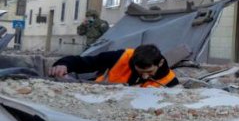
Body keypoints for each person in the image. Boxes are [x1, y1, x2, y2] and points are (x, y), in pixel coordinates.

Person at [48, 44, 179, 88]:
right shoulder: (119, 57)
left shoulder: (170, 82)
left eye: (149, 72)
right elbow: (84, 62)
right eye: (140, 71)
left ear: (160, 63)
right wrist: (63, 64)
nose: (145, 76)